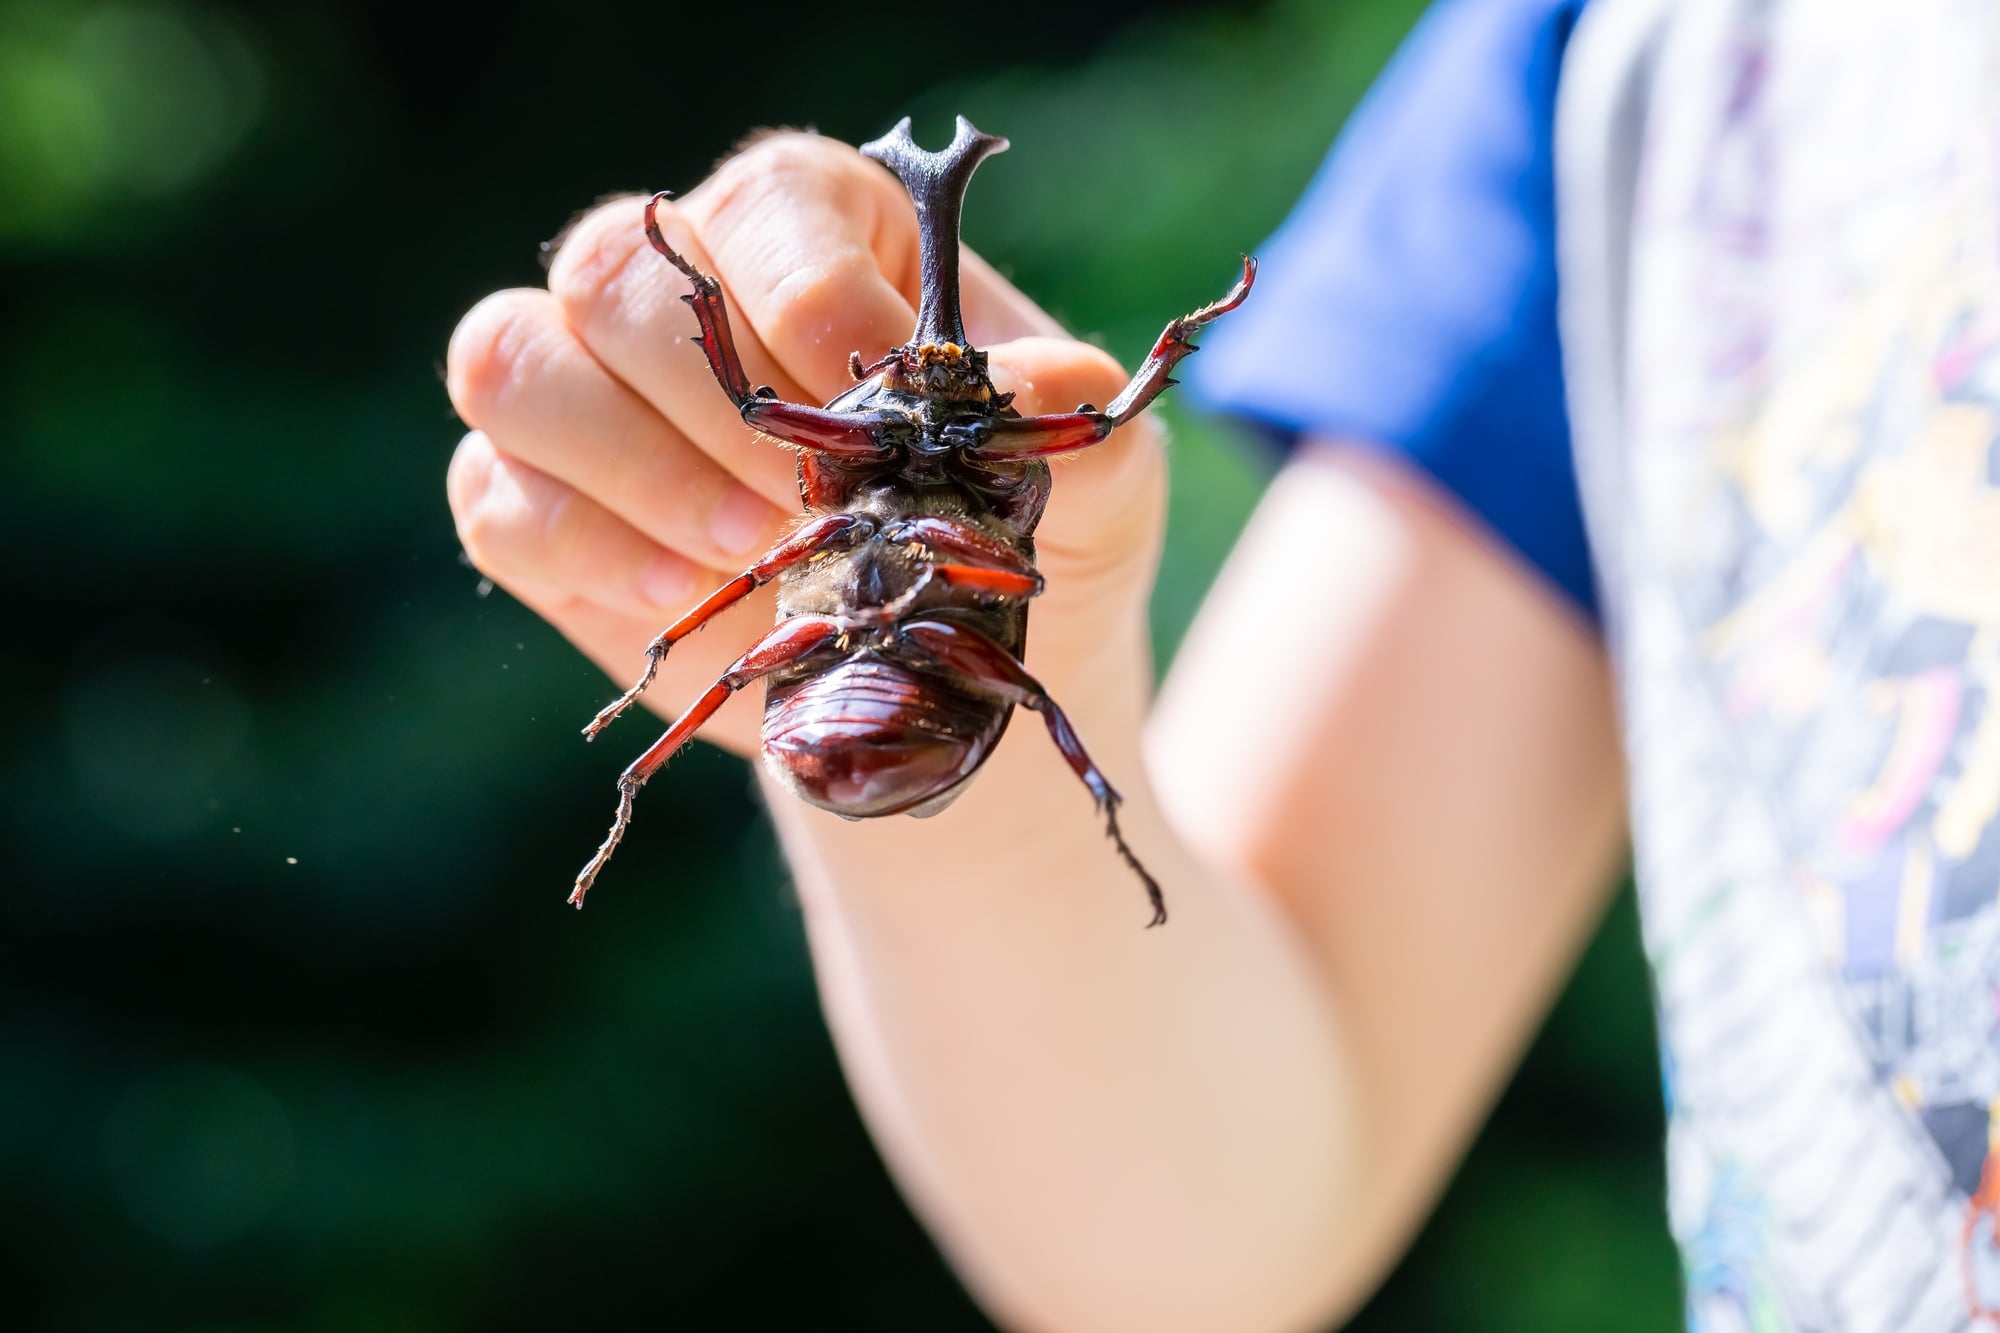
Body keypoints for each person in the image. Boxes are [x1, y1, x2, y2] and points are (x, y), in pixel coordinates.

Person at [445, 0, 2000, 1326]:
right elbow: (1200, 1246)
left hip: (915, 650)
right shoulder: (1641, 67)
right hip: (893, 662)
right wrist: (1053, 616)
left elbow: (1091, 429)